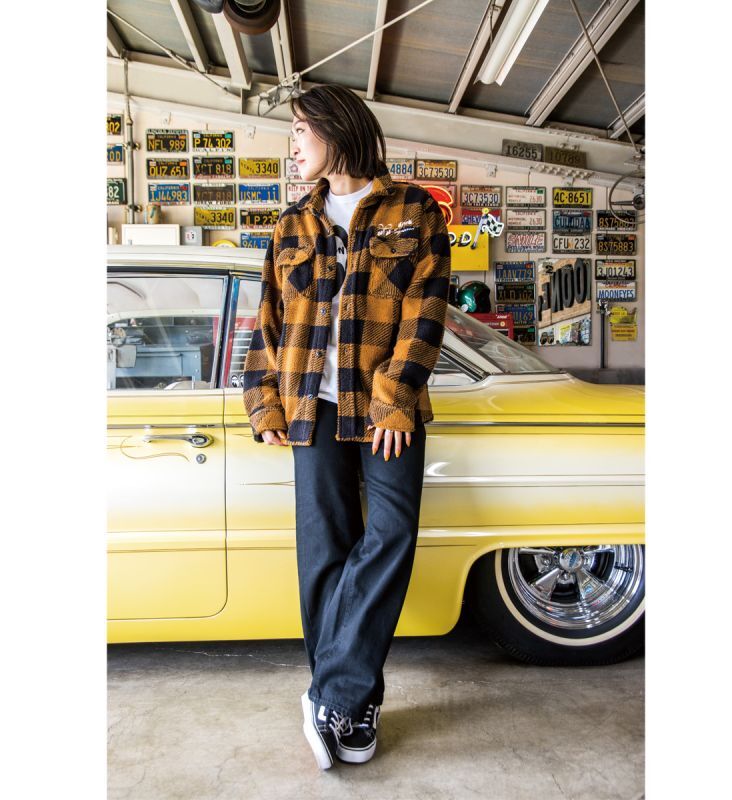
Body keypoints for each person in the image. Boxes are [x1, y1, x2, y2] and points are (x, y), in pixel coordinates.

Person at [242, 83, 451, 770]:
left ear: (337, 129)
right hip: (313, 408)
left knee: (391, 536)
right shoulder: (292, 223)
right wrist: (264, 403)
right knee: (324, 550)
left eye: (301, 130)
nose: (293, 144)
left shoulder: (413, 210)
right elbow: (267, 320)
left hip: (387, 407)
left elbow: (426, 313)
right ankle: (352, 704)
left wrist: (393, 398)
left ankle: (331, 693)